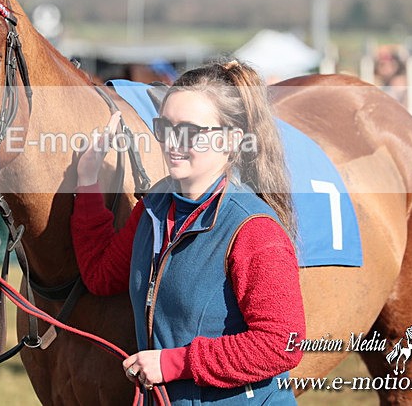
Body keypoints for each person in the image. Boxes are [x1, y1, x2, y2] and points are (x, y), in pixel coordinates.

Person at [71, 60, 305, 404]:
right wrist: (88, 182)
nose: (172, 142)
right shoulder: (153, 208)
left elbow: (283, 343)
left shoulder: (254, 231)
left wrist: (174, 363)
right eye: (165, 127)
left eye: (190, 132)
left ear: (231, 140)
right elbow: (102, 275)